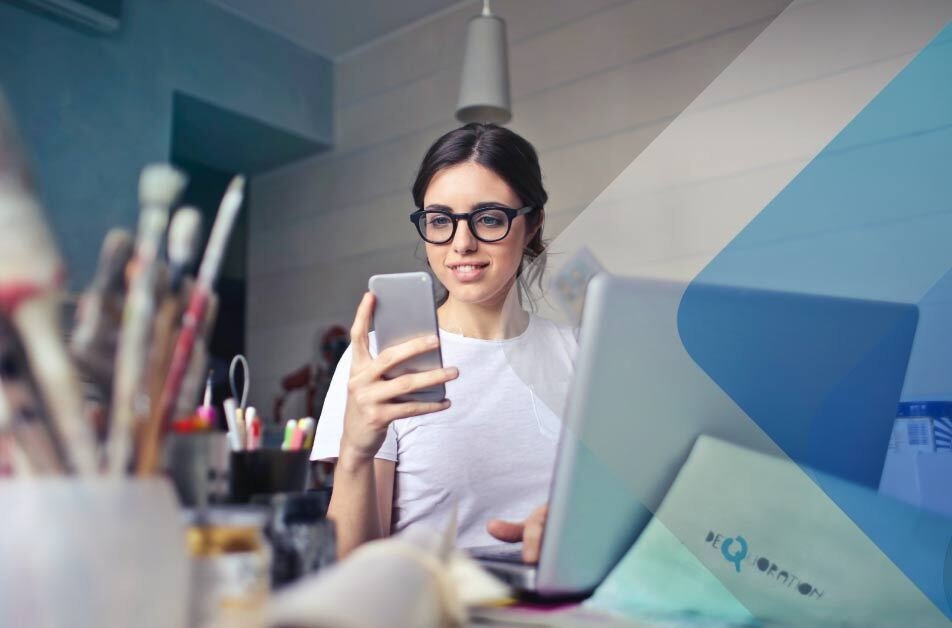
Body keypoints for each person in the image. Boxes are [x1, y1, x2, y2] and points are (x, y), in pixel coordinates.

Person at [311, 123, 577, 561]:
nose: (462, 243)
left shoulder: (581, 355)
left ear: (532, 225)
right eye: (440, 221)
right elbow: (352, 567)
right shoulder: (381, 362)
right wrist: (356, 451)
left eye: (489, 218)